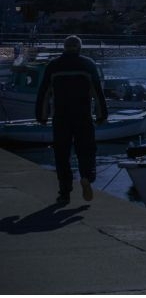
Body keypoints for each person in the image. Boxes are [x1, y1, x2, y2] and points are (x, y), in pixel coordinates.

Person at [35, 35, 108, 205]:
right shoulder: (87, 64)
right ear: (79, 48)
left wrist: (42, 116)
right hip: (83, 115)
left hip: (61, 116)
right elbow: (97, 92)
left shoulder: (53, 65)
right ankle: (86, 177)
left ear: (64, 47)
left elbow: (44, 93)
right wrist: (101, 114)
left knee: (62, 154)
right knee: (86, 150)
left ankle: (64, 193)